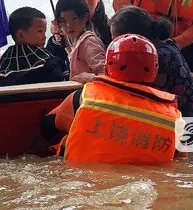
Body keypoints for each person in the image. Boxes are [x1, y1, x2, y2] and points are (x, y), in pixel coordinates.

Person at [41, 34, 181, 164]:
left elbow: (47, 128)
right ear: (155, 70)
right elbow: (181, 161)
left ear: (107, 66)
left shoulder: (82, 98)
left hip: (84, 183)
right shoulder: (174, 117)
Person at [109, 6, 193, 118]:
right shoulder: (168, 46)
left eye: (115, 39)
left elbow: (124, 89)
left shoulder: (150, 57)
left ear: (130, 37)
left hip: (173, 126)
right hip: (184, 123)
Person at [0, 7, 68, 87]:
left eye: (44, 32)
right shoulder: (47, 63)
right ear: (21, 35)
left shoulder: (0, 68)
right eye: (40, 31)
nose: (44, 36)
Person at [54, 0, 106, 83]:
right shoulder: (79, 41)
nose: (68, 25)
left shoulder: (89, 41)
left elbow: (103, 73)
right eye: (63, 21)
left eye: (74, 18)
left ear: (85, 17)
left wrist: (89, 79)